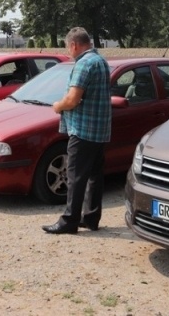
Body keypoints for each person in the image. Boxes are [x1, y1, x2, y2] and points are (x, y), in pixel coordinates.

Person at [42, 27, 111, 235]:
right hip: (99, 129)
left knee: (75, 176)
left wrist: (58, 106)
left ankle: (69, 221)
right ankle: (90, 218)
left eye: (67, 47)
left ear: (73, 44)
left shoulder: (84, 64)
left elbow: (72, 99)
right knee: (94, 176)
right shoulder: (101, 61)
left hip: (82, 129)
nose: (67, 51)